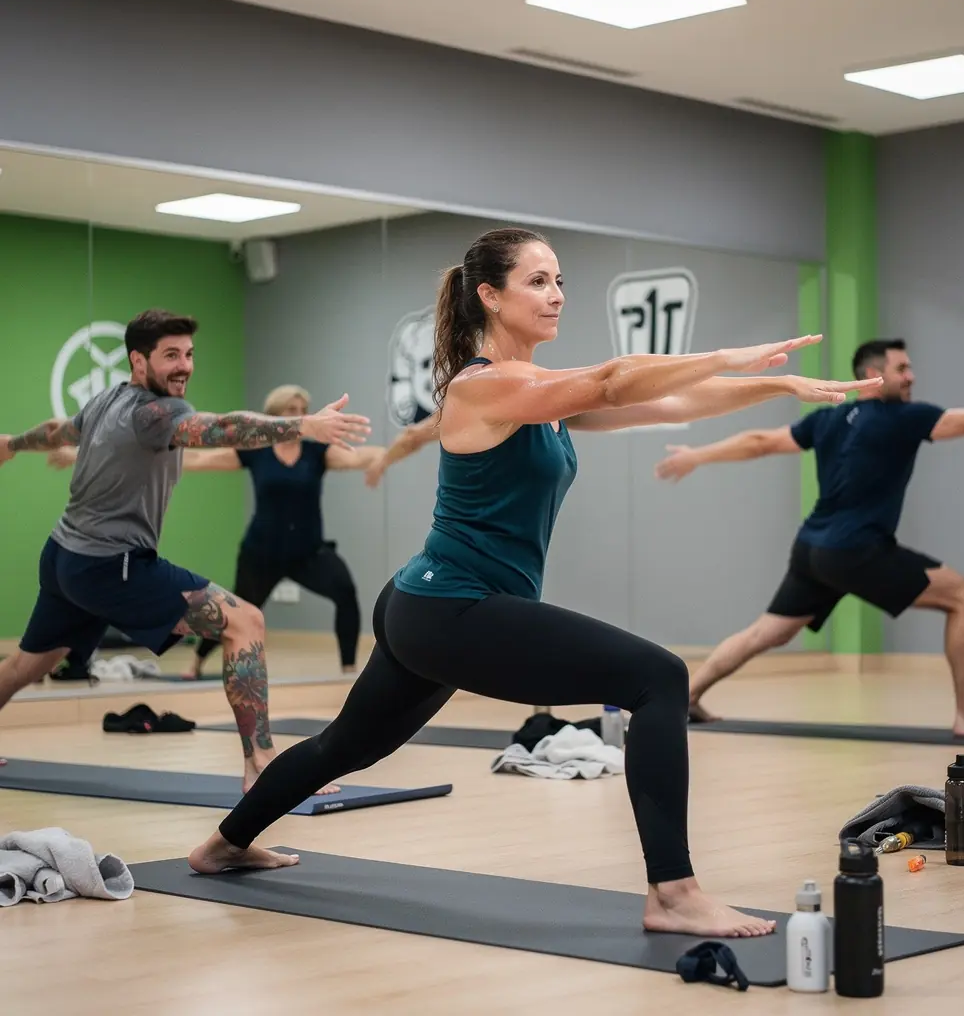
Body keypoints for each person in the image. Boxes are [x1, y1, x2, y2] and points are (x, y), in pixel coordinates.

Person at [186, 227, 876, 937]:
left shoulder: (539, 391)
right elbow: (612, 377)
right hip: (450, 605)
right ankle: (672, 893)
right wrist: (731, 353)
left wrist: (779, 384)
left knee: (345, 747)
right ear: (490, 295)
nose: (556, 296)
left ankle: (222, 844)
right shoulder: (485, 385)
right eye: (538, 282)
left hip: (429, 602)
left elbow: (668, 407)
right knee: (660, 677)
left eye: (560, 281)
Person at [0, 309, 371, 791]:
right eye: (170, 355)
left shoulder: (107, 399)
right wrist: (302, 425)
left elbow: (59, 431)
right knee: (246, 621)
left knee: (29, 664)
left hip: (65, 556)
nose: (184, 366)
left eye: (189, 354)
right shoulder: (156, 414)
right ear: (139, 360)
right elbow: (221, 428)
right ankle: (262, 762)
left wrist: (12, 443)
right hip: (113, 565)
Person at [656, 338, 964, 738]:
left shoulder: (828, 419)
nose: (911, 376)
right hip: (856, 550)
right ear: (872, 375)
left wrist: (697, 455)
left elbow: (759, 443)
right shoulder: (905, 417)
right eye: (902, 369)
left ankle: (687, 695)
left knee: (766, 632)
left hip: (812, 550)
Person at [51, 385, 424, 679]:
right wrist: (77, 455)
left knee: (345, 591)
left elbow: (366, 457)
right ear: (273, 416)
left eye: (301, 409)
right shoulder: (255, 451)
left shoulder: (317, 453)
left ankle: (346, 670)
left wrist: (404, 446)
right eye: (289, 411)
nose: (297, 416)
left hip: (309, 551)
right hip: (261, 552)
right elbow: (195, 459)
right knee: (235, 611)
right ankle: (198, 661)